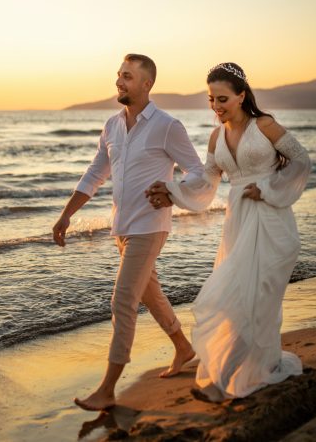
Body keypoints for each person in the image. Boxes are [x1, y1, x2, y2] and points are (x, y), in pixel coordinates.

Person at [146, 62, 311, 402]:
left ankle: (220, 382)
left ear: (241, 96)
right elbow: (205, 183)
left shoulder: (263, 125)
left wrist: (268, 189)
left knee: (253, 303)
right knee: (232, 301)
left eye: (222, 98)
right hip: (237, 225)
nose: (216, 106)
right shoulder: (216, 137)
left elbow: (300, 160)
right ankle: (251, 369)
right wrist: (171, 190)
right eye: (210, 99)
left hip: (270, 223)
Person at [52, 53, 203, 411]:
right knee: (149, 293)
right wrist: (65, 215)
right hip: (121, 226)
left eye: (128, 77)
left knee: (123, 300)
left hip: (151, 225)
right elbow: (94, 174)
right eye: (119, 75)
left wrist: (172, 191)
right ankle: (184, 347)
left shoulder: (167, 125)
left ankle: (107, 388)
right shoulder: (111, 125)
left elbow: (197, 171)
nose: (119, 82)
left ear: (147, 84)